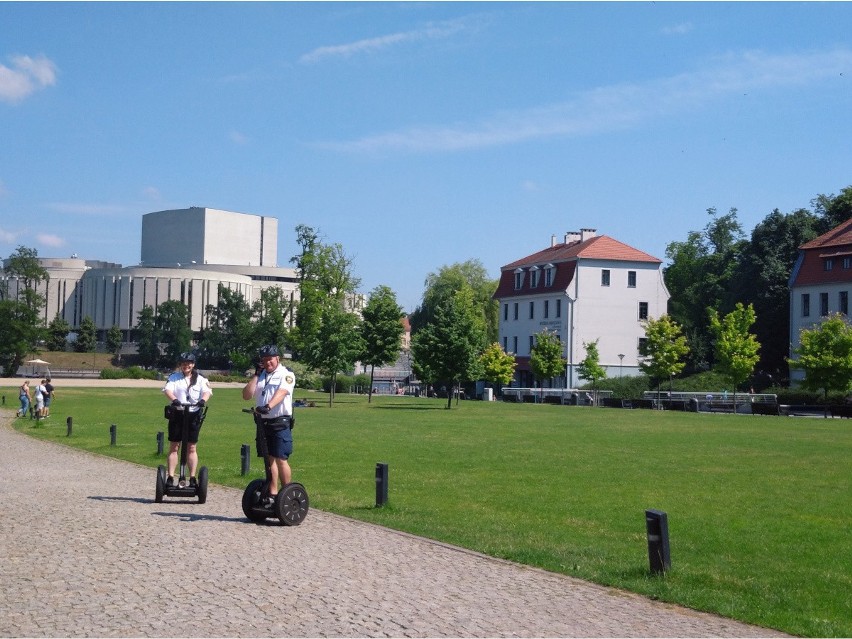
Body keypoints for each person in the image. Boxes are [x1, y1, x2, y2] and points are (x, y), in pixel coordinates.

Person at [242, 344, 295, 506]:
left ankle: (287, 493)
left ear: (277, 358)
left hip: (279, 421)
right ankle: (273, 493)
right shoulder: (261, 375)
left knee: (280, 458)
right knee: (268, 458)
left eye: (270, 359)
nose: (267, 362)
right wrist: (256, 376)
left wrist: (268, 406)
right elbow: (246, 395)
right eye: (264, 360)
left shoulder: (287, 375)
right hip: (262, 422)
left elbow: (282, 392)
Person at [162, 352, 212, 488]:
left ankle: (193, 477)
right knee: (174, 446)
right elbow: (167, 390)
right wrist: (175, 400)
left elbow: (207, 391)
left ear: (193, 364)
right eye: (184, 363)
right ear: (180, 365)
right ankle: (171, 477)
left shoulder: (201, 379)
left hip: (193, 414)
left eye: (189, 363)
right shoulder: (174, 377)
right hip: (178, 413)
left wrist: (202, 400)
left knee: (191, 447)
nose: (186, 365)